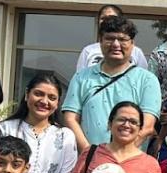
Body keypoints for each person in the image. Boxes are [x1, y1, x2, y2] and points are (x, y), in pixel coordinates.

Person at [62, 16, 161, 152]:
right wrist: (89, 154)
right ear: (100, 41)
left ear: (132, 43)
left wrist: (120, 155)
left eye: (122, 39)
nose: (115, 44)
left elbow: (147, 126)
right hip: (90, 159)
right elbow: (70, 119)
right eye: (109, 38)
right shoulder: (81, 77)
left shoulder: (147, 80)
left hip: (130, 160)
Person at [75, 4, 149, 71]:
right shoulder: (88, 51)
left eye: (112, 17)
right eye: (103, 18)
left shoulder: (136, 52)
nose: (107, 21)